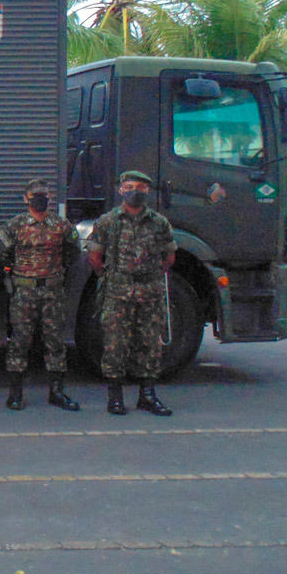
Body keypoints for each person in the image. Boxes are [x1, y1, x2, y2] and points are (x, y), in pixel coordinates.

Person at [86, 170, 177, 416]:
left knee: (149, 343)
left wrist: (148, 277)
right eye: (129, 186)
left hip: (150, 290)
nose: (134, 191)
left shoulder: (159, 222)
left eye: (140, 187)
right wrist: (113, 277)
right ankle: (115, 398)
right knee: (115, 343)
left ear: (148, 190)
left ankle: (147, 396)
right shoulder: (107, 221)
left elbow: (169, 257)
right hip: (118, 290)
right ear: (120, 190)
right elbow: (95, 256)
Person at [0, 179, 82, 411]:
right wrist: (14, 272)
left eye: (44, 194)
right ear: (26, 199)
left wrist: (57, 271)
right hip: (24, 290)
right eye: (35, 194)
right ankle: (15, 393)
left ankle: (57, 392)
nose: (40, 198)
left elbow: (73, 252)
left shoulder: (61, 225)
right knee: (20, 341)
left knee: (55, 341)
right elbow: (1, 252)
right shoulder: (15, 226)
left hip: (52, 291)